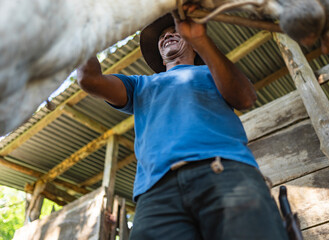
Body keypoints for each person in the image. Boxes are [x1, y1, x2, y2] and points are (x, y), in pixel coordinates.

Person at [77, 5, 288, 240]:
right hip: (156, 192)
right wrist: (82, 31)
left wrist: (200, 38)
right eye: (161, 36)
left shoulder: (213, 72)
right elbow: (89, 79)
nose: (167, 35)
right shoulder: (139, 85)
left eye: (174, 30)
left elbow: (246, 98)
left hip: (224, 171)